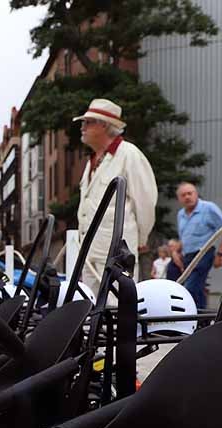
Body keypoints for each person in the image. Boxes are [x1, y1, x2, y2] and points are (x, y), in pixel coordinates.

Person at [73, 99, 158, 290]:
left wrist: (141, 238)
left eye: (88, 122)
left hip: (116, 250)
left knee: (116, 305)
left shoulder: (129, 154)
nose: (82, 127)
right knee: (91, 304)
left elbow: (145, 202)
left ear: (104, 125)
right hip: (90, 251)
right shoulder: (92, 161)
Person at [175, 182, 222, 309]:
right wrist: (176, 252)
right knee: (197, 289)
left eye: (190, 193)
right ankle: (201, 320)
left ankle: (192, 317)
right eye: (183, 195)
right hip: (187, 256)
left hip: (203, 253)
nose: (187, 197)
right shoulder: (181, 214)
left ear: (196, 194)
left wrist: (220, 253)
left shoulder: (208, 208)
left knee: (190, 288)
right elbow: (185, 236)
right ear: (179, 199)